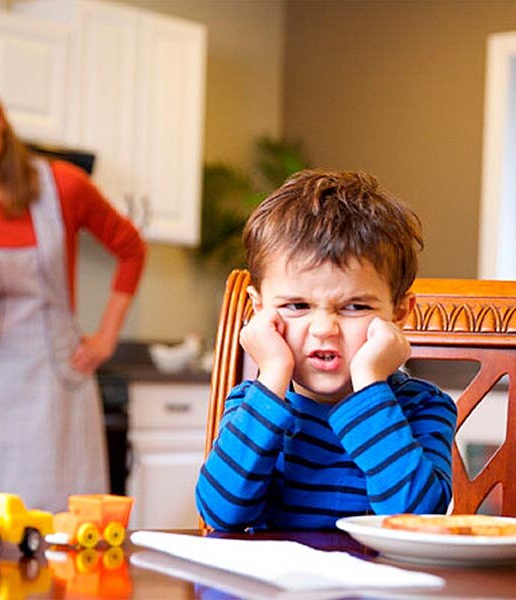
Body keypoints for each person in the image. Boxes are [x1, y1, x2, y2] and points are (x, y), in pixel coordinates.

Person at [0, 71, 146, 515]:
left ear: (0, 118)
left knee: (60, 544)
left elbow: (131, 248)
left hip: (54, 397)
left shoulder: (63, 186)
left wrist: (106, 336)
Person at [195, 170, 457, 531]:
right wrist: (271, 374)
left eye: (355, 307)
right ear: (259, 310)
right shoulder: (254, 404)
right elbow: (221, 514)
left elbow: (416, 519)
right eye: (297, 306)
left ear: (398, 313)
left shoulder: (424, 406)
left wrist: (368, 383)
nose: (323, 329)